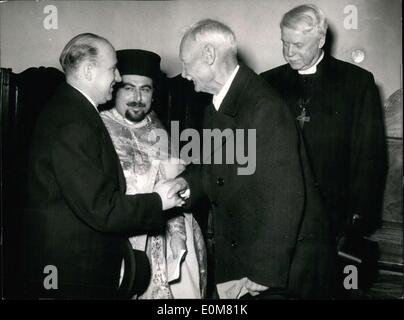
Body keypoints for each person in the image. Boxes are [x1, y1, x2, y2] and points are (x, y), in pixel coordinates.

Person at [169, 19, 336, 299]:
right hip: (245, 252)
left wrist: (265, 270)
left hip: (280, 266)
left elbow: (284, 196)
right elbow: (215, 168)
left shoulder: (263, 106)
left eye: (186, 63)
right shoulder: (218, 105)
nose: (184, 74)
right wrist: (184, 186)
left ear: (209, 56)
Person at [22, 33, 183, 299]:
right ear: (88, 71)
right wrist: (158, 201)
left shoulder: (75, 110)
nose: (118, 77)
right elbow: (100, 207)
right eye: (113, 69)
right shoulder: (73, 121)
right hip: (75, 271)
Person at [260, 4, 387, 293]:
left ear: (320, 40)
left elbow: (370, 157)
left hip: (335, 219)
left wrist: (358, 220)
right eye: (284, 43)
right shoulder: (267, 83)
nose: (289, 52)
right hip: (281, 218)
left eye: (298, 45)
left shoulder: (357, 83)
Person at [100, 49, 207, 299]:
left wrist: (178, 234)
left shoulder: (158, 128)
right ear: (115, 88)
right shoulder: (99, 126)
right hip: (119, 235)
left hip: (167, 229)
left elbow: (175, 184)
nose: (137, 97)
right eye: (129, 88)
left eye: (145, 89)